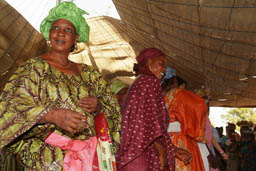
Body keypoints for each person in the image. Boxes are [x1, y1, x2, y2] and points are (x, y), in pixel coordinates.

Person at [0, 2, 121, 171]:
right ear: (49, 34)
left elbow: (115, 110)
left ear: (76, 38)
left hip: (90, 158)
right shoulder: (32, 69)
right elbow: (8, 107)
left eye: (68, 30)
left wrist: (99, 106)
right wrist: (51, 115)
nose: (61, 33)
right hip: (48, 161)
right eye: (56, 28)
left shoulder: (90, 75)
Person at [116, 48, 176, 171]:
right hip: (143, 152)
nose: (164, 70)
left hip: (132, 152)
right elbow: (153, 125)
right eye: (161, 64)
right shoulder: (150, 82)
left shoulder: (139, 81)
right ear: (149, 62)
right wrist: (161, 152)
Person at [163, 73, 207, 171]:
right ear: (181, 85)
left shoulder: (157, 94)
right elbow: (199, 106)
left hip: (163, 141)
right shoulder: (177, 93)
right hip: (178, 141)